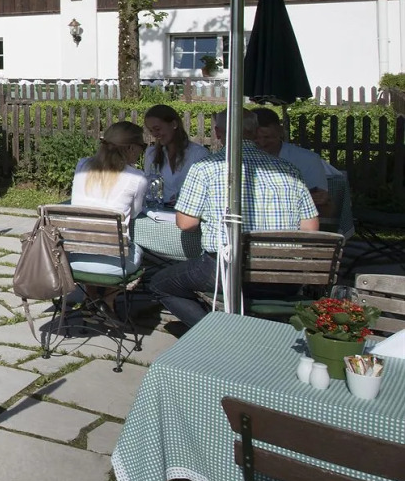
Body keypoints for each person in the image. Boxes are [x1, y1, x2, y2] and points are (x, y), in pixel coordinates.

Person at [151, 111, 318, 331]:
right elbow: (310, 230)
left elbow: (185, 223)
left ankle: (214, 333)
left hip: (226, 272)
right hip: (283, 276)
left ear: (219, 133)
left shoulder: (206, 168)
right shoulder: (288, 169)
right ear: (256, 131)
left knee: (161, 284)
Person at [67, 121, 147, 276]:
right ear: (130, 147)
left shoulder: (82, 165)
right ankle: (108, 300)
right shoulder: (137, 177)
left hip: (74, 257)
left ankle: (92, 296)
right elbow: (136, 213)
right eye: (142, 147)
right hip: (117, 264)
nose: (142, 151)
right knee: (139, 249)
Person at [254, 108, 333, 216]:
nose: (262, 143)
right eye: (255, 138)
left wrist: (321, 199)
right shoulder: (239, 158)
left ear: (280, 132)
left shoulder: (308, 159)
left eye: (268, 137)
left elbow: (325, 209)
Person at [141, 104, 208, 207]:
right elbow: (148, 189)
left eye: (157, 128)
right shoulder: (151, 153)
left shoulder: (199, 153)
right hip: (159, 214)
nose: (154, 134)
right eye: (151, 130)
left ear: (174, 124)